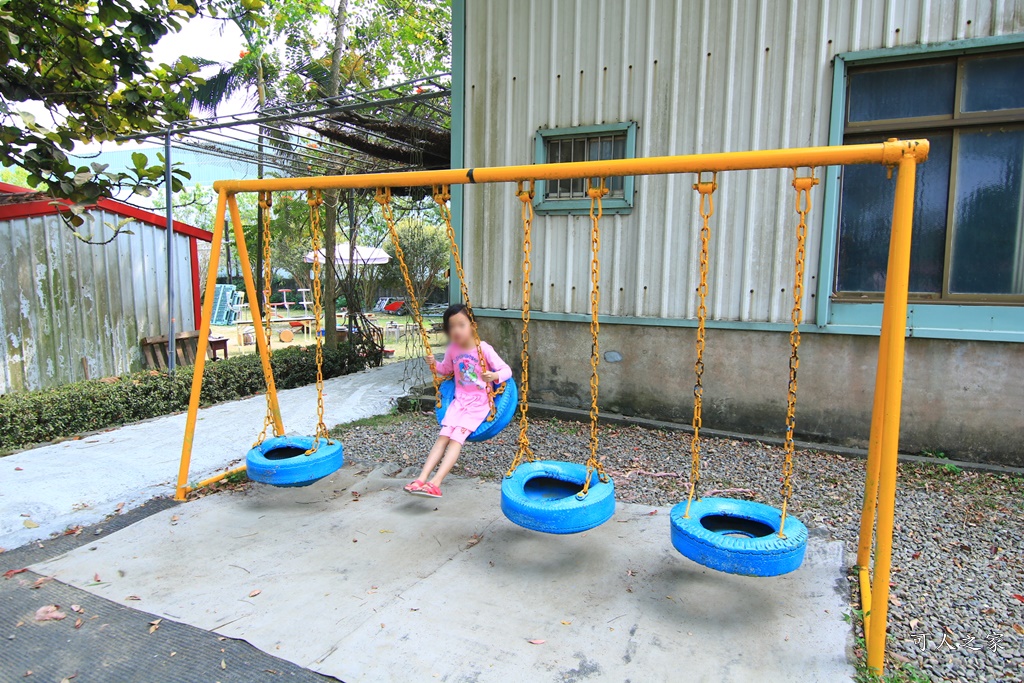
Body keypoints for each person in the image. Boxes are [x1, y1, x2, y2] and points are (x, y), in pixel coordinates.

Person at [405, 304, 511, 498]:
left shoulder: (483, 349)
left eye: (461, 325)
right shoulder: (453, 349)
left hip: (478, 405)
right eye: (451, 326)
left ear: (472, 325)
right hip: (458, 403)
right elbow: (446, 370)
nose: (456, 330)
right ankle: (421, 479)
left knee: (456, 440)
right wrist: (433, 365)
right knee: (442, 437)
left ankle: (435, 483)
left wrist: (494, 375)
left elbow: (507, 371)